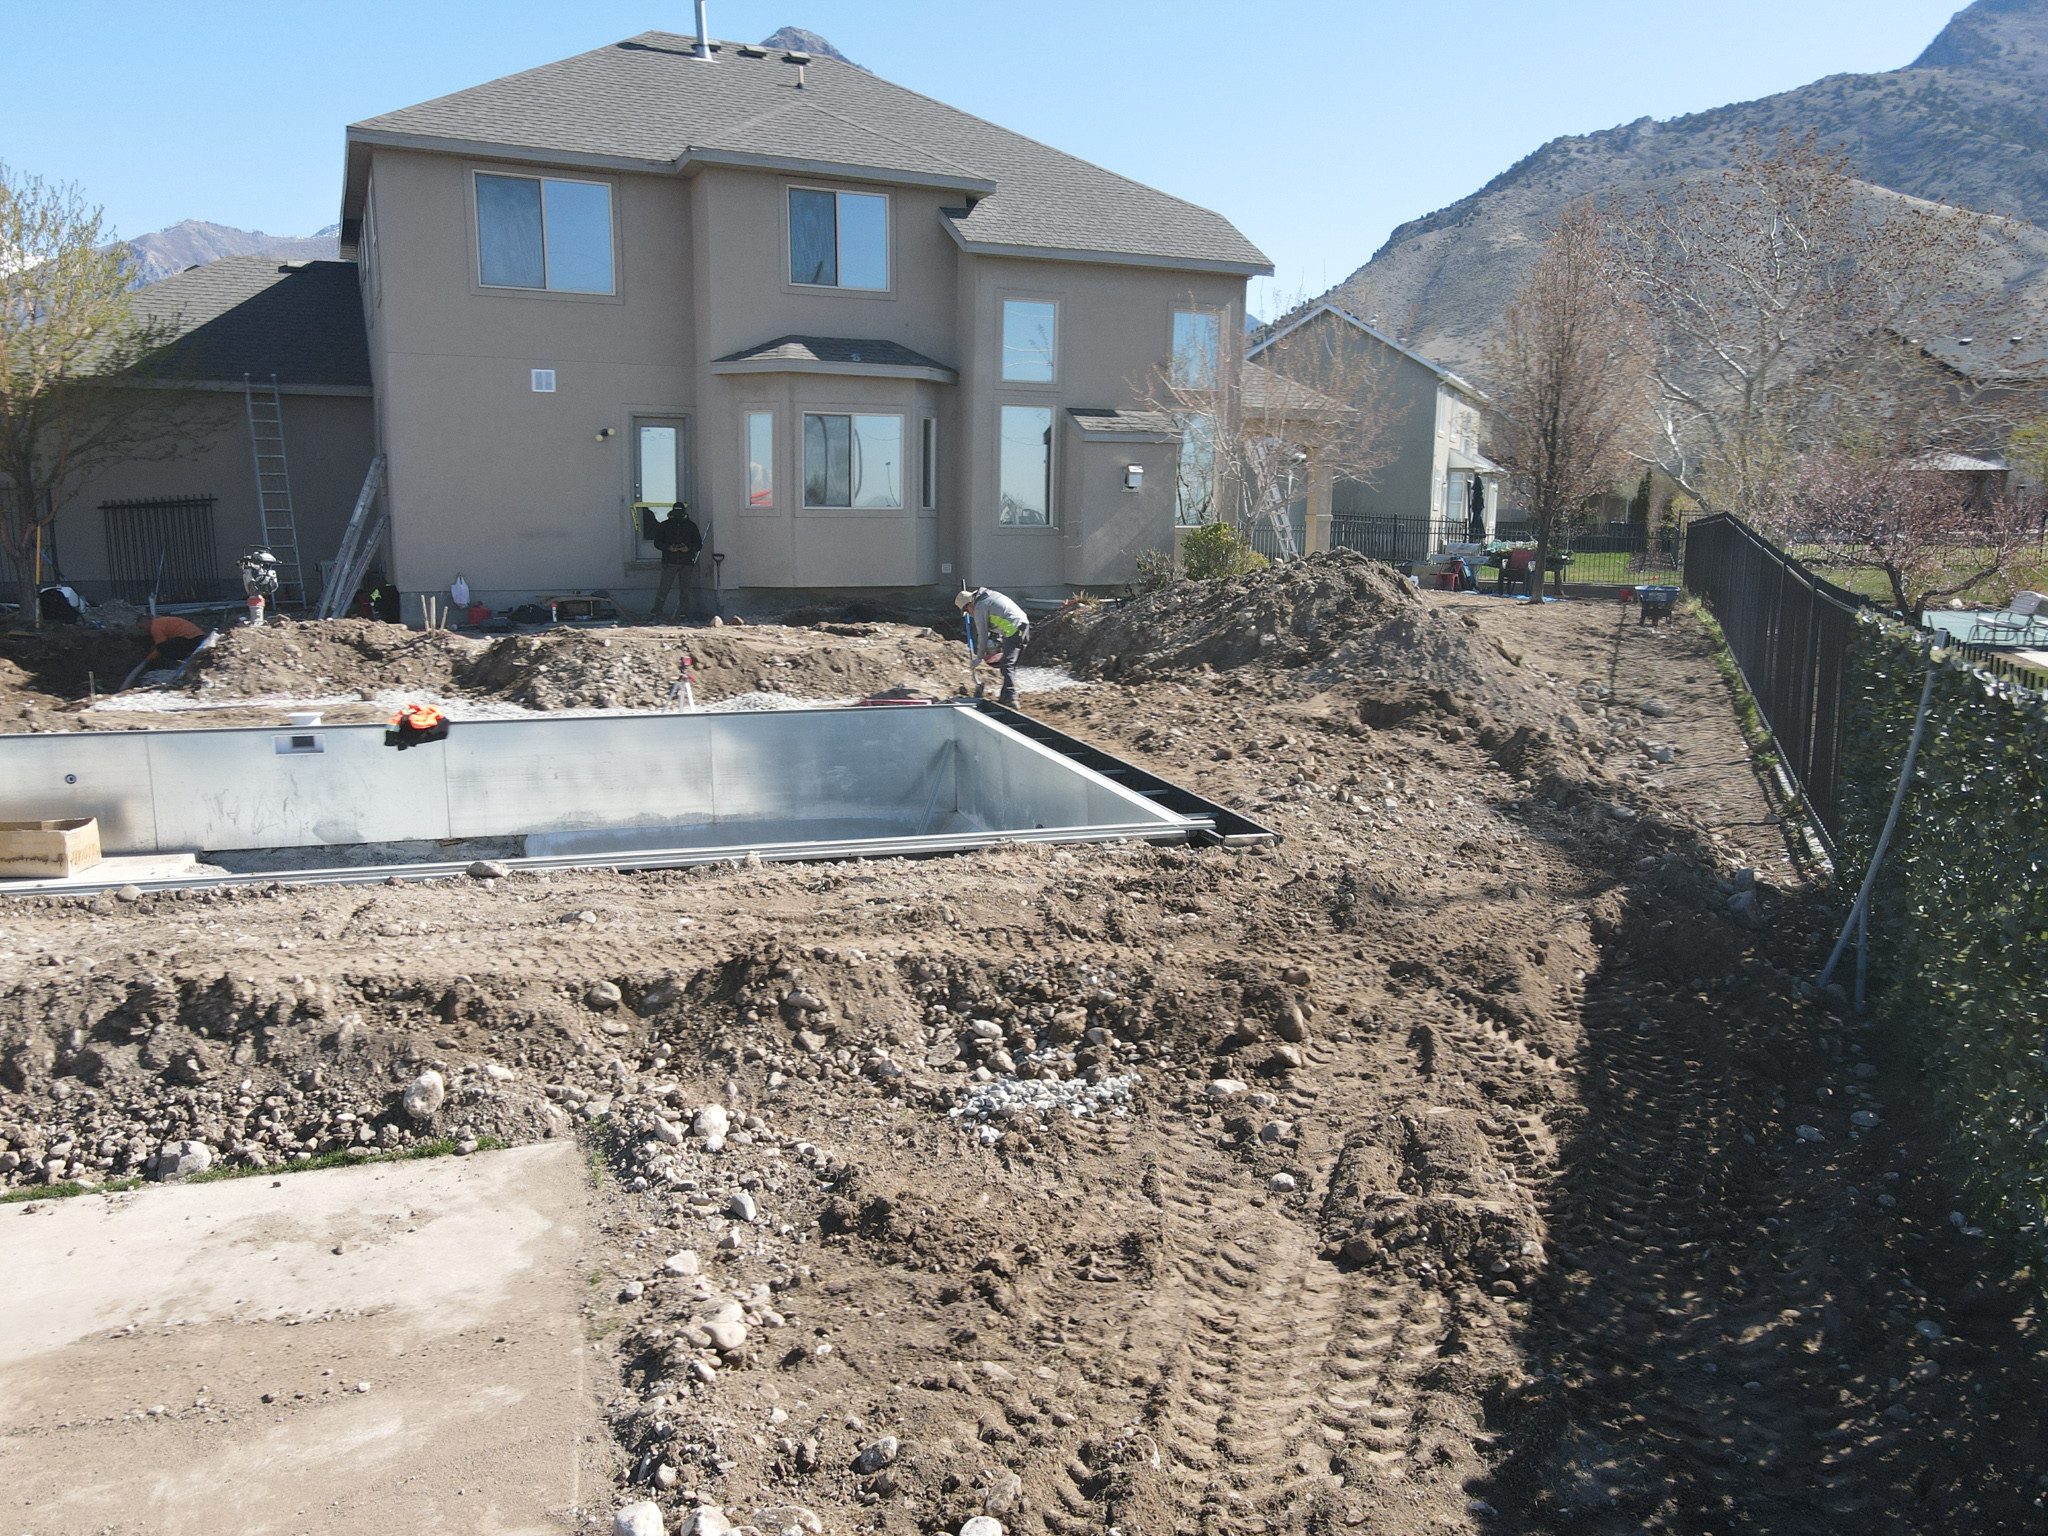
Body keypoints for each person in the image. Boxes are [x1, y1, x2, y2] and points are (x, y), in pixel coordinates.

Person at [955, 585, 1030, 707]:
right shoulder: (989, 596)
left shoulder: (980, 607)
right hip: (1023, 624)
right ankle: (1005, 696)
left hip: (1013, 628)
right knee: (1010, 664)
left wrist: (979, 657)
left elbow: (983, 635)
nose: (969, 613)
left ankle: (1011, 698)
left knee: (1007, 664)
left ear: (969, 604)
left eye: (967, 610)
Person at [646, 502, 703, 623]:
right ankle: (656, 612)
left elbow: (698, 544)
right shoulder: (665, 525)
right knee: (663, 588)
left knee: (685, 590)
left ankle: (684, 613)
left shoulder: (691, 526)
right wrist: (668, 547)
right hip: (669, 561)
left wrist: (687, 548)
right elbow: (657, 543)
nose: (678, 515)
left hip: (686, 562)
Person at [136, 614, 207, 669]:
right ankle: (189, 658)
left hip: (192, 639)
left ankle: (187, 659)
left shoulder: (155, 627)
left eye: (142, 627)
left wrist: (148, 659)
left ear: (147, 623)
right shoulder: (160, 622)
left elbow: (160, 646)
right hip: (197, 638)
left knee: (162, 647)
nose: (144, 630)